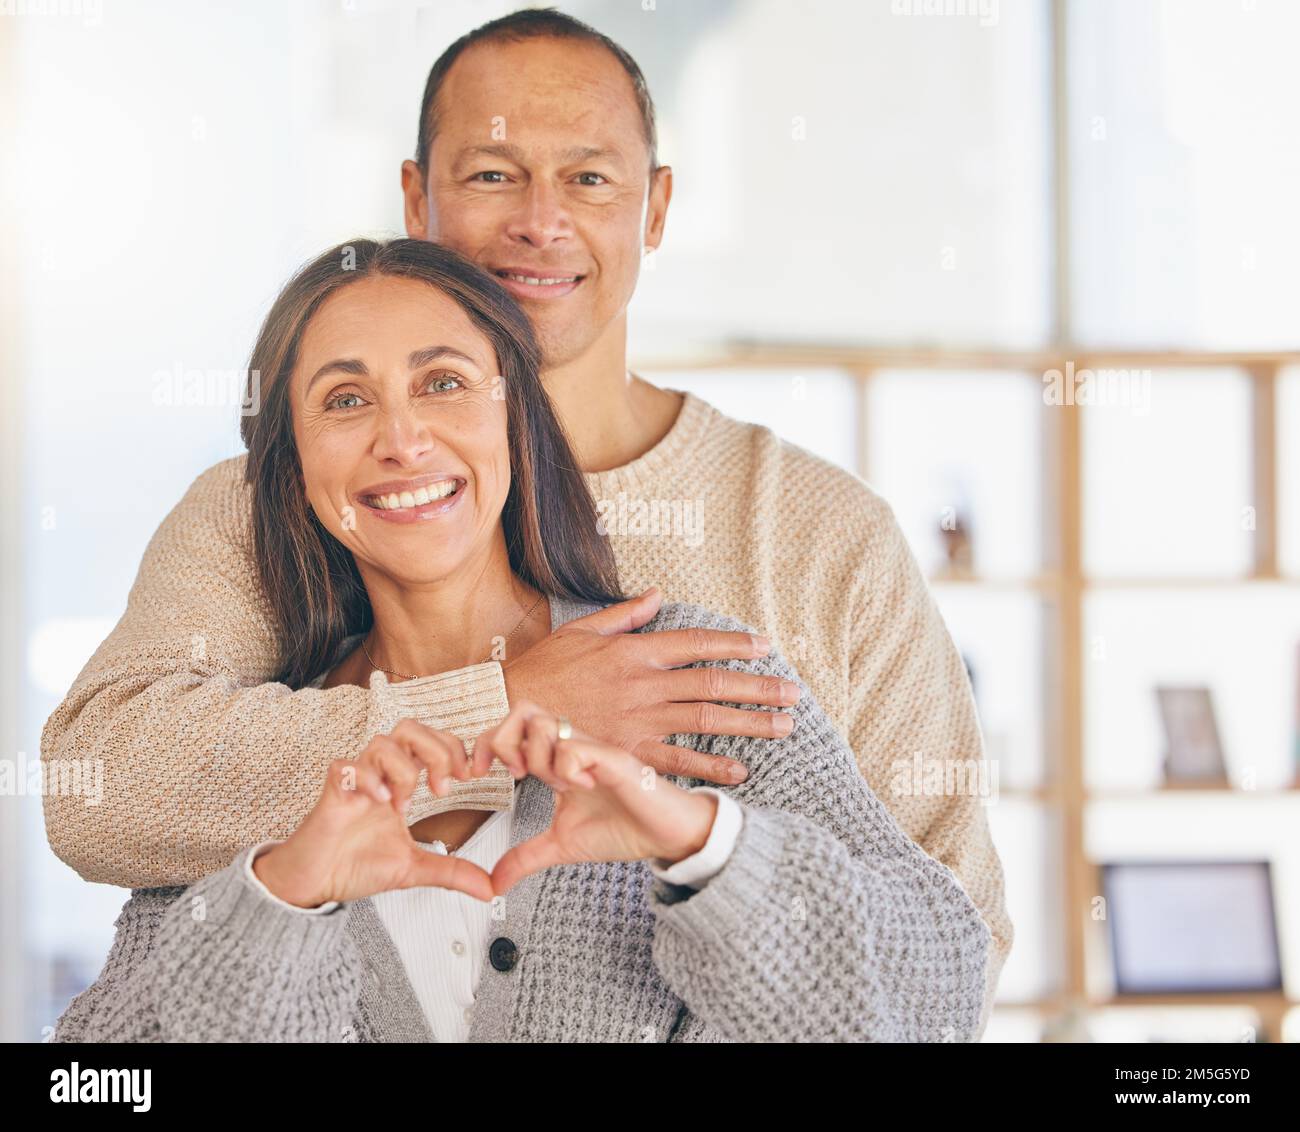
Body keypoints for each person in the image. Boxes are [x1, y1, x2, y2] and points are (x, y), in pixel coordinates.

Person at [41, 7, 1011, 1025]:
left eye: (588, 177)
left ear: (656, 205)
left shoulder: (820, 533)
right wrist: (491, 709)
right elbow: (101, 792)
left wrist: (706, 858)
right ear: (416, 196)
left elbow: (942, 954)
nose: (540, 221)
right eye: (493, 175)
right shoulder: (260, 512)